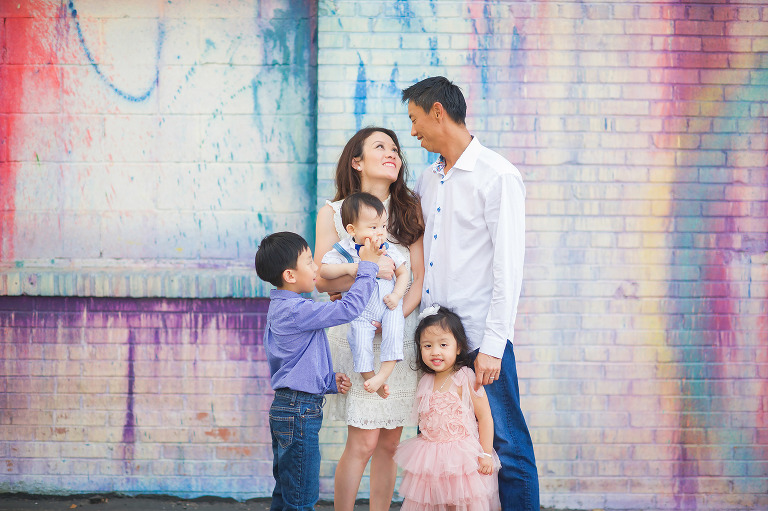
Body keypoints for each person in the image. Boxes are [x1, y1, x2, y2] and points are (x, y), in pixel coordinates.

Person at [402, 76, 539, 511]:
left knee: (507, 446)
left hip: (480, 339)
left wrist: (494, 347)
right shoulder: (428, 178)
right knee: (447, 451)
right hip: (436, 341)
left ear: (438, 111)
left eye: (415, 119)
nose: (412, 131)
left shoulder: (498, 176)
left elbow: (508, 269)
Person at [314, 127, 424, 511]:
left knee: (391, 442)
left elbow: (418, 279)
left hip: (398, 327)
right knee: (363, 441)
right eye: (381, 147)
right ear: (357, 161)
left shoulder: (409, 210)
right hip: (354, 329)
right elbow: (320, 277)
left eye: (396, 148)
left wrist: (391, 313)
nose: (392, 153)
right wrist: (367, 271)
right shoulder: (333, 212)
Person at [254, 231, 382, 511]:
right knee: (301, 499)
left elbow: (295, 361)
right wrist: (368, 266)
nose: (316, 268)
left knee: (286, 493)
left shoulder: (282, 308)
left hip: (289, 408)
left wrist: (327, 381)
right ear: (290, 275)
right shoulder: (296, 311)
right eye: (310, 262)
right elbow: (349, 310)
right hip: (299, 413)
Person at [394, 305, 500, 511]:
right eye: (427, 346)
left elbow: (485, 417)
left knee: (458, 503)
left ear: (458, 347)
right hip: (430, 457)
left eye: (443, 344)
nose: (435, 352)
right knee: (431, 502)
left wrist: (486, 454)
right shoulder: (425, 380)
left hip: (462, 457)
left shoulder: (465, 378)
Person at [320, 192, 410, 399]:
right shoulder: (344, 251)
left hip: (389, 306)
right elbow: (324, 272)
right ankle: (371, 378)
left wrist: (397, 295)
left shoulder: (387, 249)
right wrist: (353, 268)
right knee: (358, 342)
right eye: (373, 227)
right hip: (359, 311)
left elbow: (403, 272)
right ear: (352, 229)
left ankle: (383, 374)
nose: (380, 232)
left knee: (394, 332)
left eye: (383, 226)